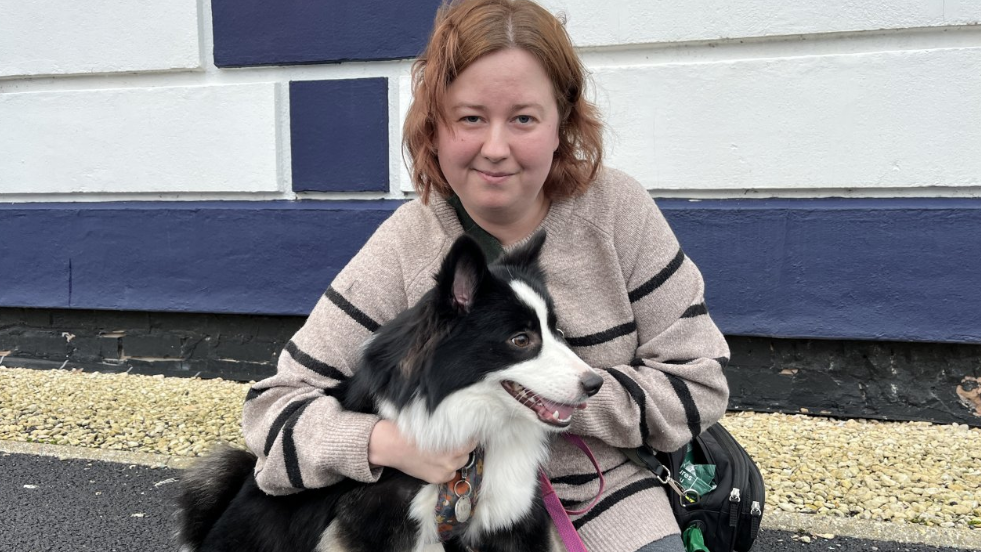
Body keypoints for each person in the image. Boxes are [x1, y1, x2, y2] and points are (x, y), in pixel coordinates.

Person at [240, 0, 730, 550]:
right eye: (471, 118)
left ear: (561, 125)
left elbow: (699, 383)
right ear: (435, 127)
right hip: (443, 514)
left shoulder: (618, 212)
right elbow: (270, 410)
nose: (495, 149)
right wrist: (383, 441)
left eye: (523, 118)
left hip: (603, 498)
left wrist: (553, 399)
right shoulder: (406, 243)